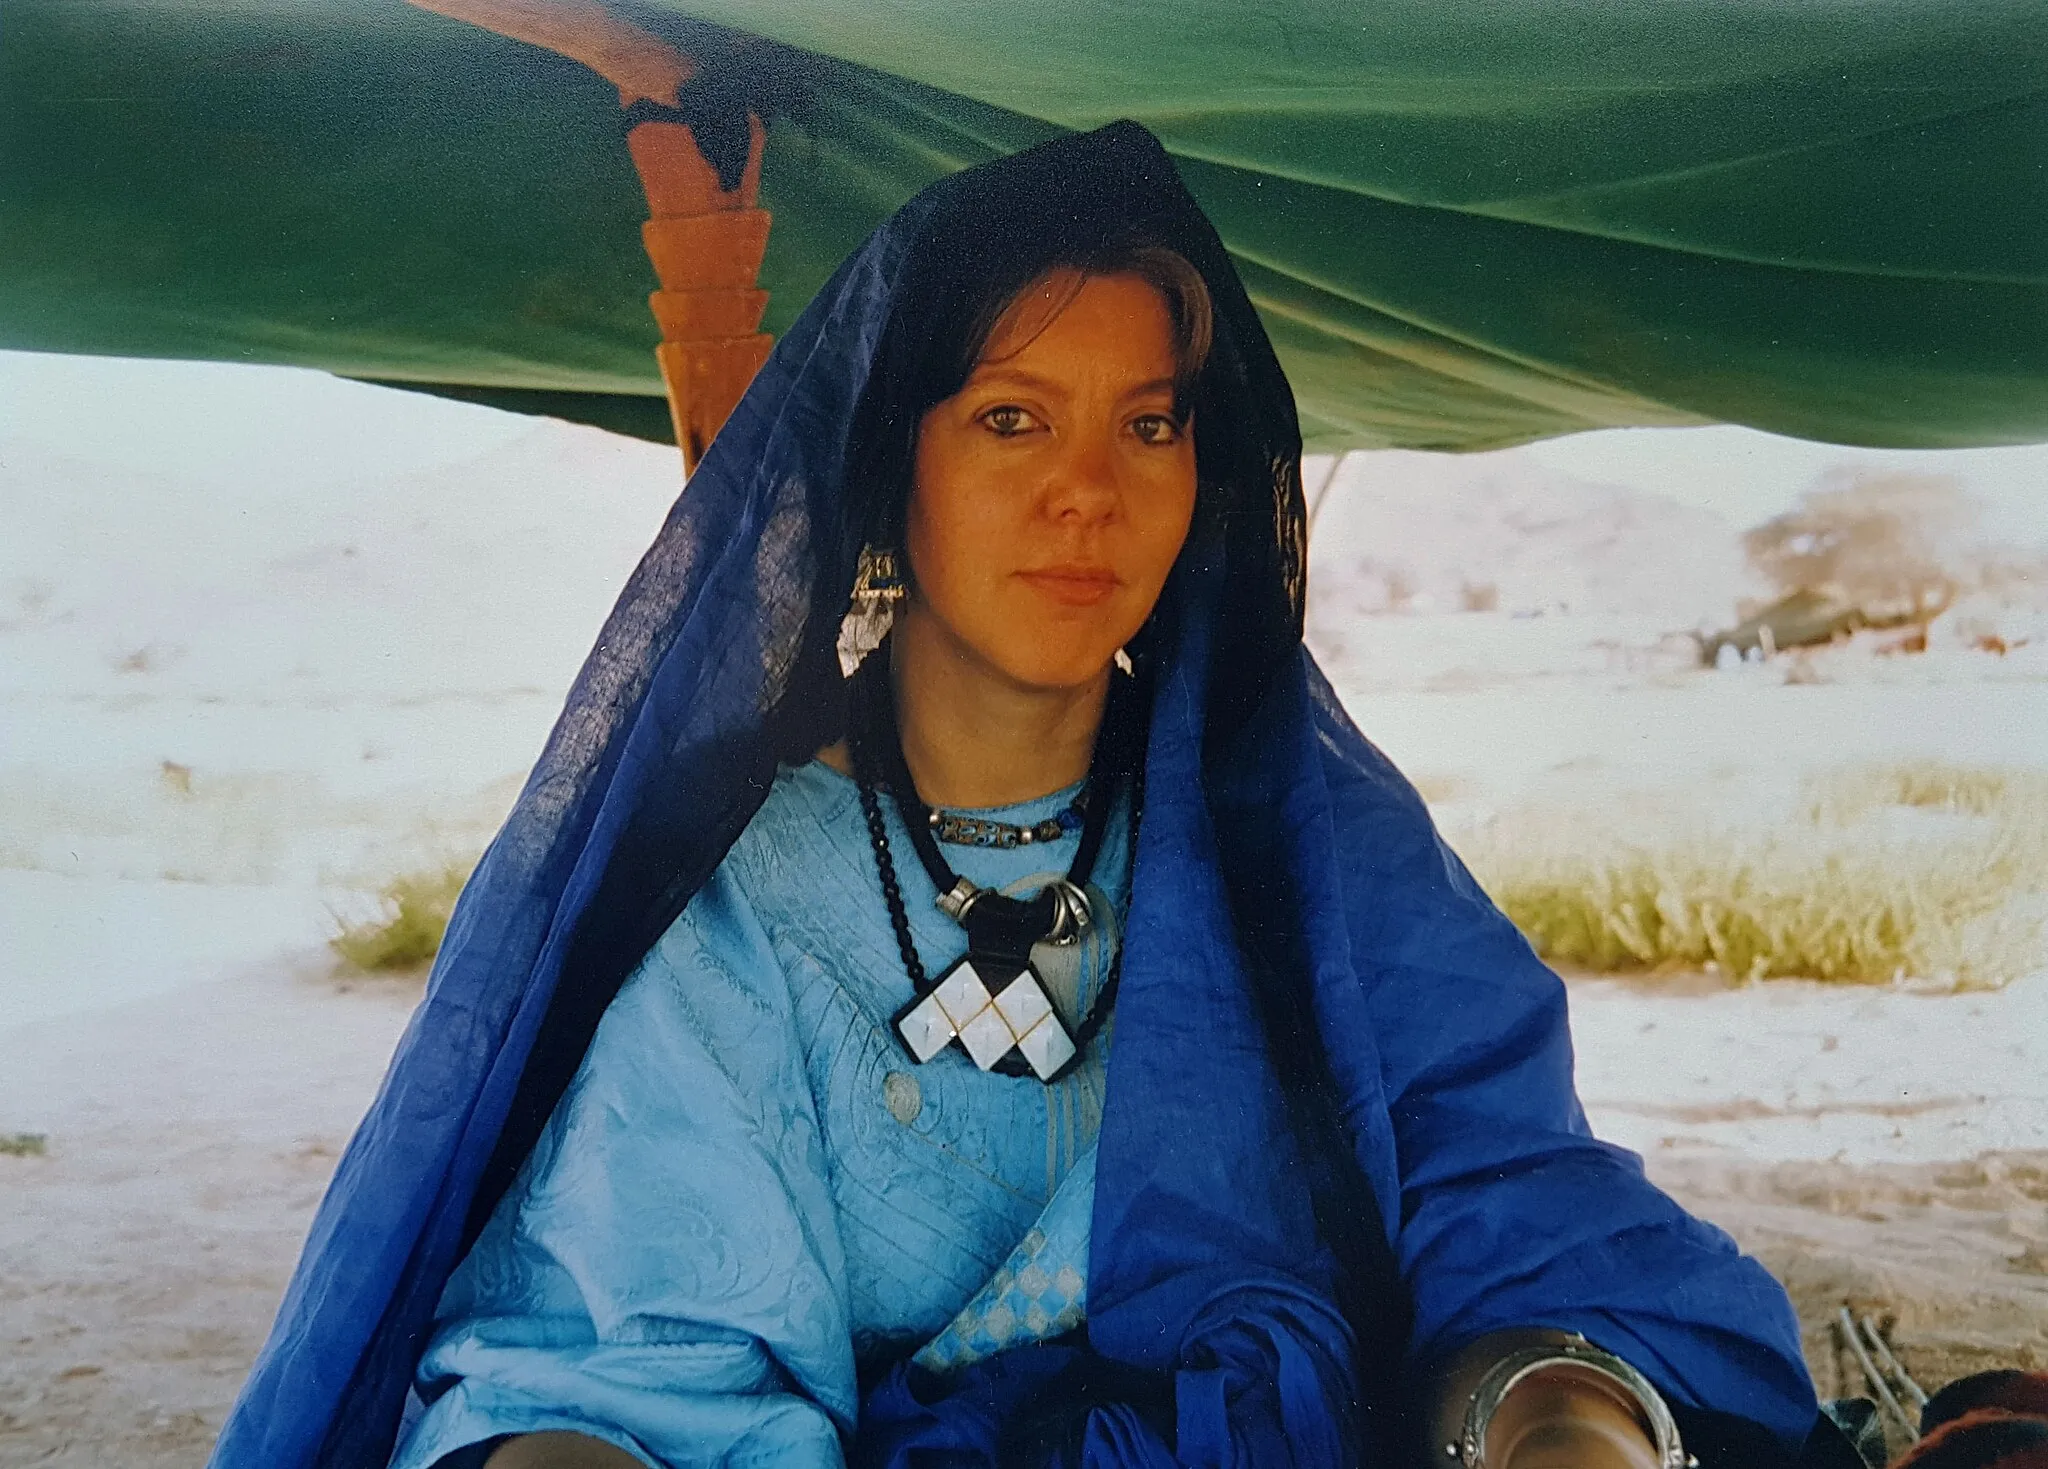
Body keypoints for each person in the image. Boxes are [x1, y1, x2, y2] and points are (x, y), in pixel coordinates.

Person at [210, 122, 1863, 1469]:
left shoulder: (1306, 853)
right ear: (890, 466)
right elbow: (616, 1363)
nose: (1090, 490)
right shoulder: (740, 896)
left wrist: (1559, 1427)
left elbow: (1518, 1223)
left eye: (1150, 423)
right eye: (1012, 418)